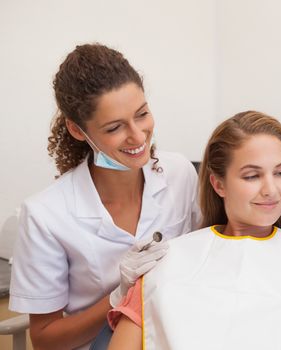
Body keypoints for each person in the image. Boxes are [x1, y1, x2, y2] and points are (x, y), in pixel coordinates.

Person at [107, 111, 281, 349]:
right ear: (219, 185)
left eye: (280, 172)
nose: (271, 189)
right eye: (252, 176)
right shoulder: (164, 264)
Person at [9, 43, 200, 349]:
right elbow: (45, 339)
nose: (138, 136)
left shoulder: (179, 173)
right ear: (77, 130)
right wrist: (117, 296)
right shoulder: (46, 214)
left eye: (142, 114)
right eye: (114, 128)